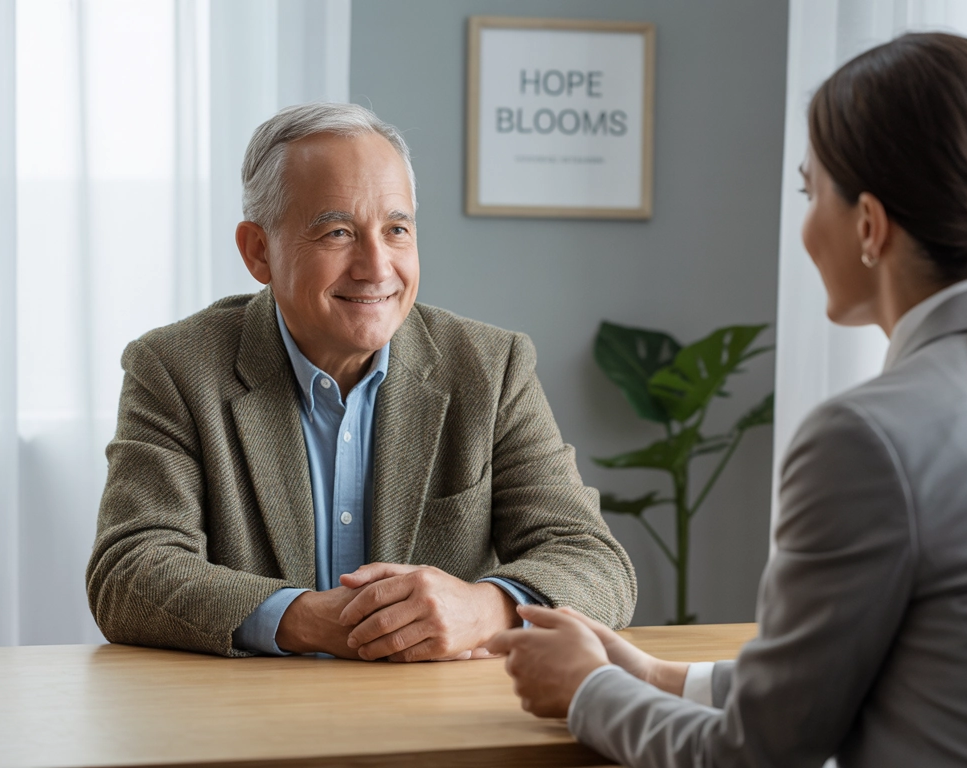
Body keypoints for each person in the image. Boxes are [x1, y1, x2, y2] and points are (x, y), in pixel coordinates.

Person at [489, 32, 967, 767]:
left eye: (811, 194)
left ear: (870, 226)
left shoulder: (871, 438)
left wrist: (587, 691)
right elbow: (856, 682)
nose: (807, 226)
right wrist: (650, 674)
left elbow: (754, 757)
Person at [86, 102, 636, 660]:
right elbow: (130, 571)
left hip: (441, 719)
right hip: (254, 720)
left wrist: (483, 608)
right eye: (338, 232)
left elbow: (594, 560)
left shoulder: (491, 368)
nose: (376, 267)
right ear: (258, 251)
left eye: (396, 229)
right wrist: (305, 619)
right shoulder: (175, 368)